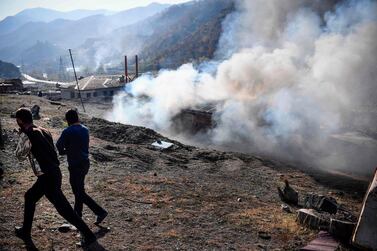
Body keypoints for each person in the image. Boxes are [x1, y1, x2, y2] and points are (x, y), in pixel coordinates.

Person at [14, 108, 97, 248]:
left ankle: (89, 235)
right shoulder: (44, 130)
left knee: (64, 209)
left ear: (20, 121)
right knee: (30, 197)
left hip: (47, 177)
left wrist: (21, 137)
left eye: (17, 121)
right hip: (53, 173)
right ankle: (25, 231)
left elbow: (19, 156)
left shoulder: (27, 134)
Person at [56, 109, 107, 224]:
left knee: (78, 192)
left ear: (68, 120)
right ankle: (77, 216)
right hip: (85, 163)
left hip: (75, 165)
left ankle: (100, 212)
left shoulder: (67, 131)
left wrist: (66, 151)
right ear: (77, 117)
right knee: (79, 190)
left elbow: (59, 146)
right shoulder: (85, 129)